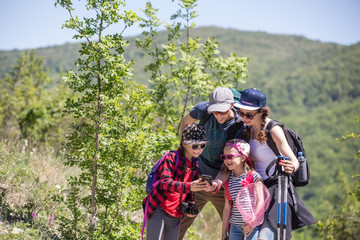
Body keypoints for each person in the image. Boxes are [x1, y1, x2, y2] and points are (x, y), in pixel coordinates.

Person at [236, 88, 315, 240]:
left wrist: (292, 167)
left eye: (249, 114)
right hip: (256, 190)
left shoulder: (274, 130)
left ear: (261, 112)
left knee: (265, 237)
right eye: (241, 113)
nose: (244, 118)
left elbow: (292, 159)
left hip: (276, 190)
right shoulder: (247, 129)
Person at [178, 87, 245, 239]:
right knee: (177, 225)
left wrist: (217, 183)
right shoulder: (204, 110)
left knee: (231, 231)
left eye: (221, 111)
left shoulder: (240, 127)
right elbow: (186, 121)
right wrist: (185, 149)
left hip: (222, 186)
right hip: (196, 179)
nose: (218, 116)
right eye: (215, 111)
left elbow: (231, 165)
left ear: (231, 105)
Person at [145, 123, 210, 240]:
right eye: (195, 146)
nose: (199, 149)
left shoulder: (195, 165)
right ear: (184, 143)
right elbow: (165, 183)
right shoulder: (171, 157)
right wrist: (190, 186)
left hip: (177, 214)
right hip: (159, 209)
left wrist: (191, 206)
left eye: (202, 145)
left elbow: (189, 193)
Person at [220, 139, 262, 240]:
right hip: (234, 226)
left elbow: (261, 201)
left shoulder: (254, 177)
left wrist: (252, 223)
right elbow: (227, 208)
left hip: (251, 227)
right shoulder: (228, 180)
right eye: (224, 157)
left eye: (230, 156)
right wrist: (224, 233)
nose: (227, 160)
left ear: (243, 157)